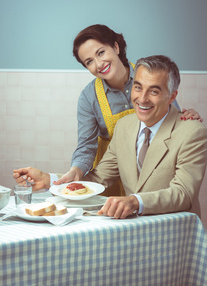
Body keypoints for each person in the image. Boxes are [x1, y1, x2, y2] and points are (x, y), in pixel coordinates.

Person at [13, 55, 207, 219]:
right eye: (138, 87)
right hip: (132, 228)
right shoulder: (124, 126)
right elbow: (99, 178)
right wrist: (51, 181)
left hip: (175, 232)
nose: (142, 98)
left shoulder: (193, 133)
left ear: (172, 96)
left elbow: (184, 194)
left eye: (154, 91)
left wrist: (135, 201)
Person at [51, 24, 202, 196]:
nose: (99, 64)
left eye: (101, 53)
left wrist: (186, 119)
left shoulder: (147, 73)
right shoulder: (88, 97)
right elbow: (86, 145)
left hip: (152, 171)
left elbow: (171, 119)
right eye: (89, 62)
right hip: (111, 170)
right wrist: (76, 170)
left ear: (115, 47)